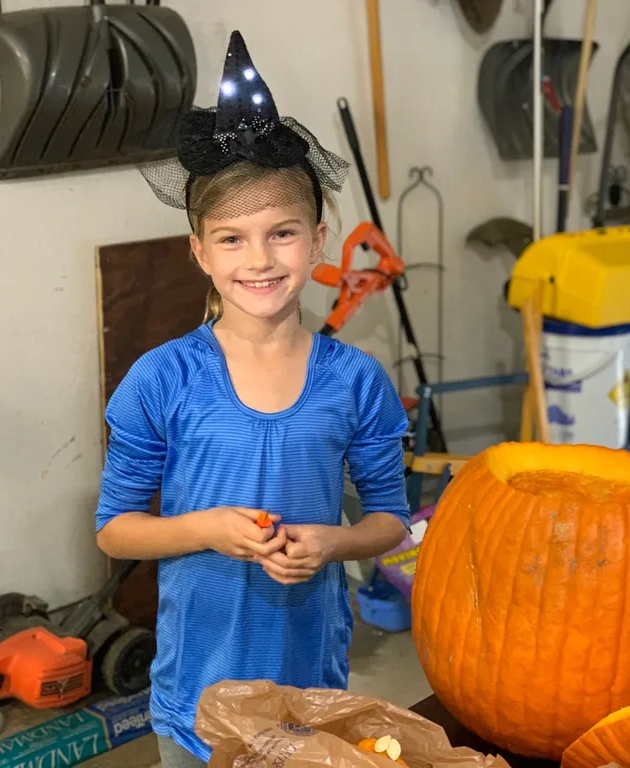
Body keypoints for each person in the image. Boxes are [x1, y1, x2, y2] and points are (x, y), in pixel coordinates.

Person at [94, 31, 410, 768]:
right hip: (196, 695)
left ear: (319, 240)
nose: (260, 259)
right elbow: (116, 531)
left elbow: (391, 521)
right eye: (232, 239)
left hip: (310, 686)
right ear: (200, 251)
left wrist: (335, 541)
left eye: (282, 234)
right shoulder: (161, 379)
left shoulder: (355, 380)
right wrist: (205, 528)